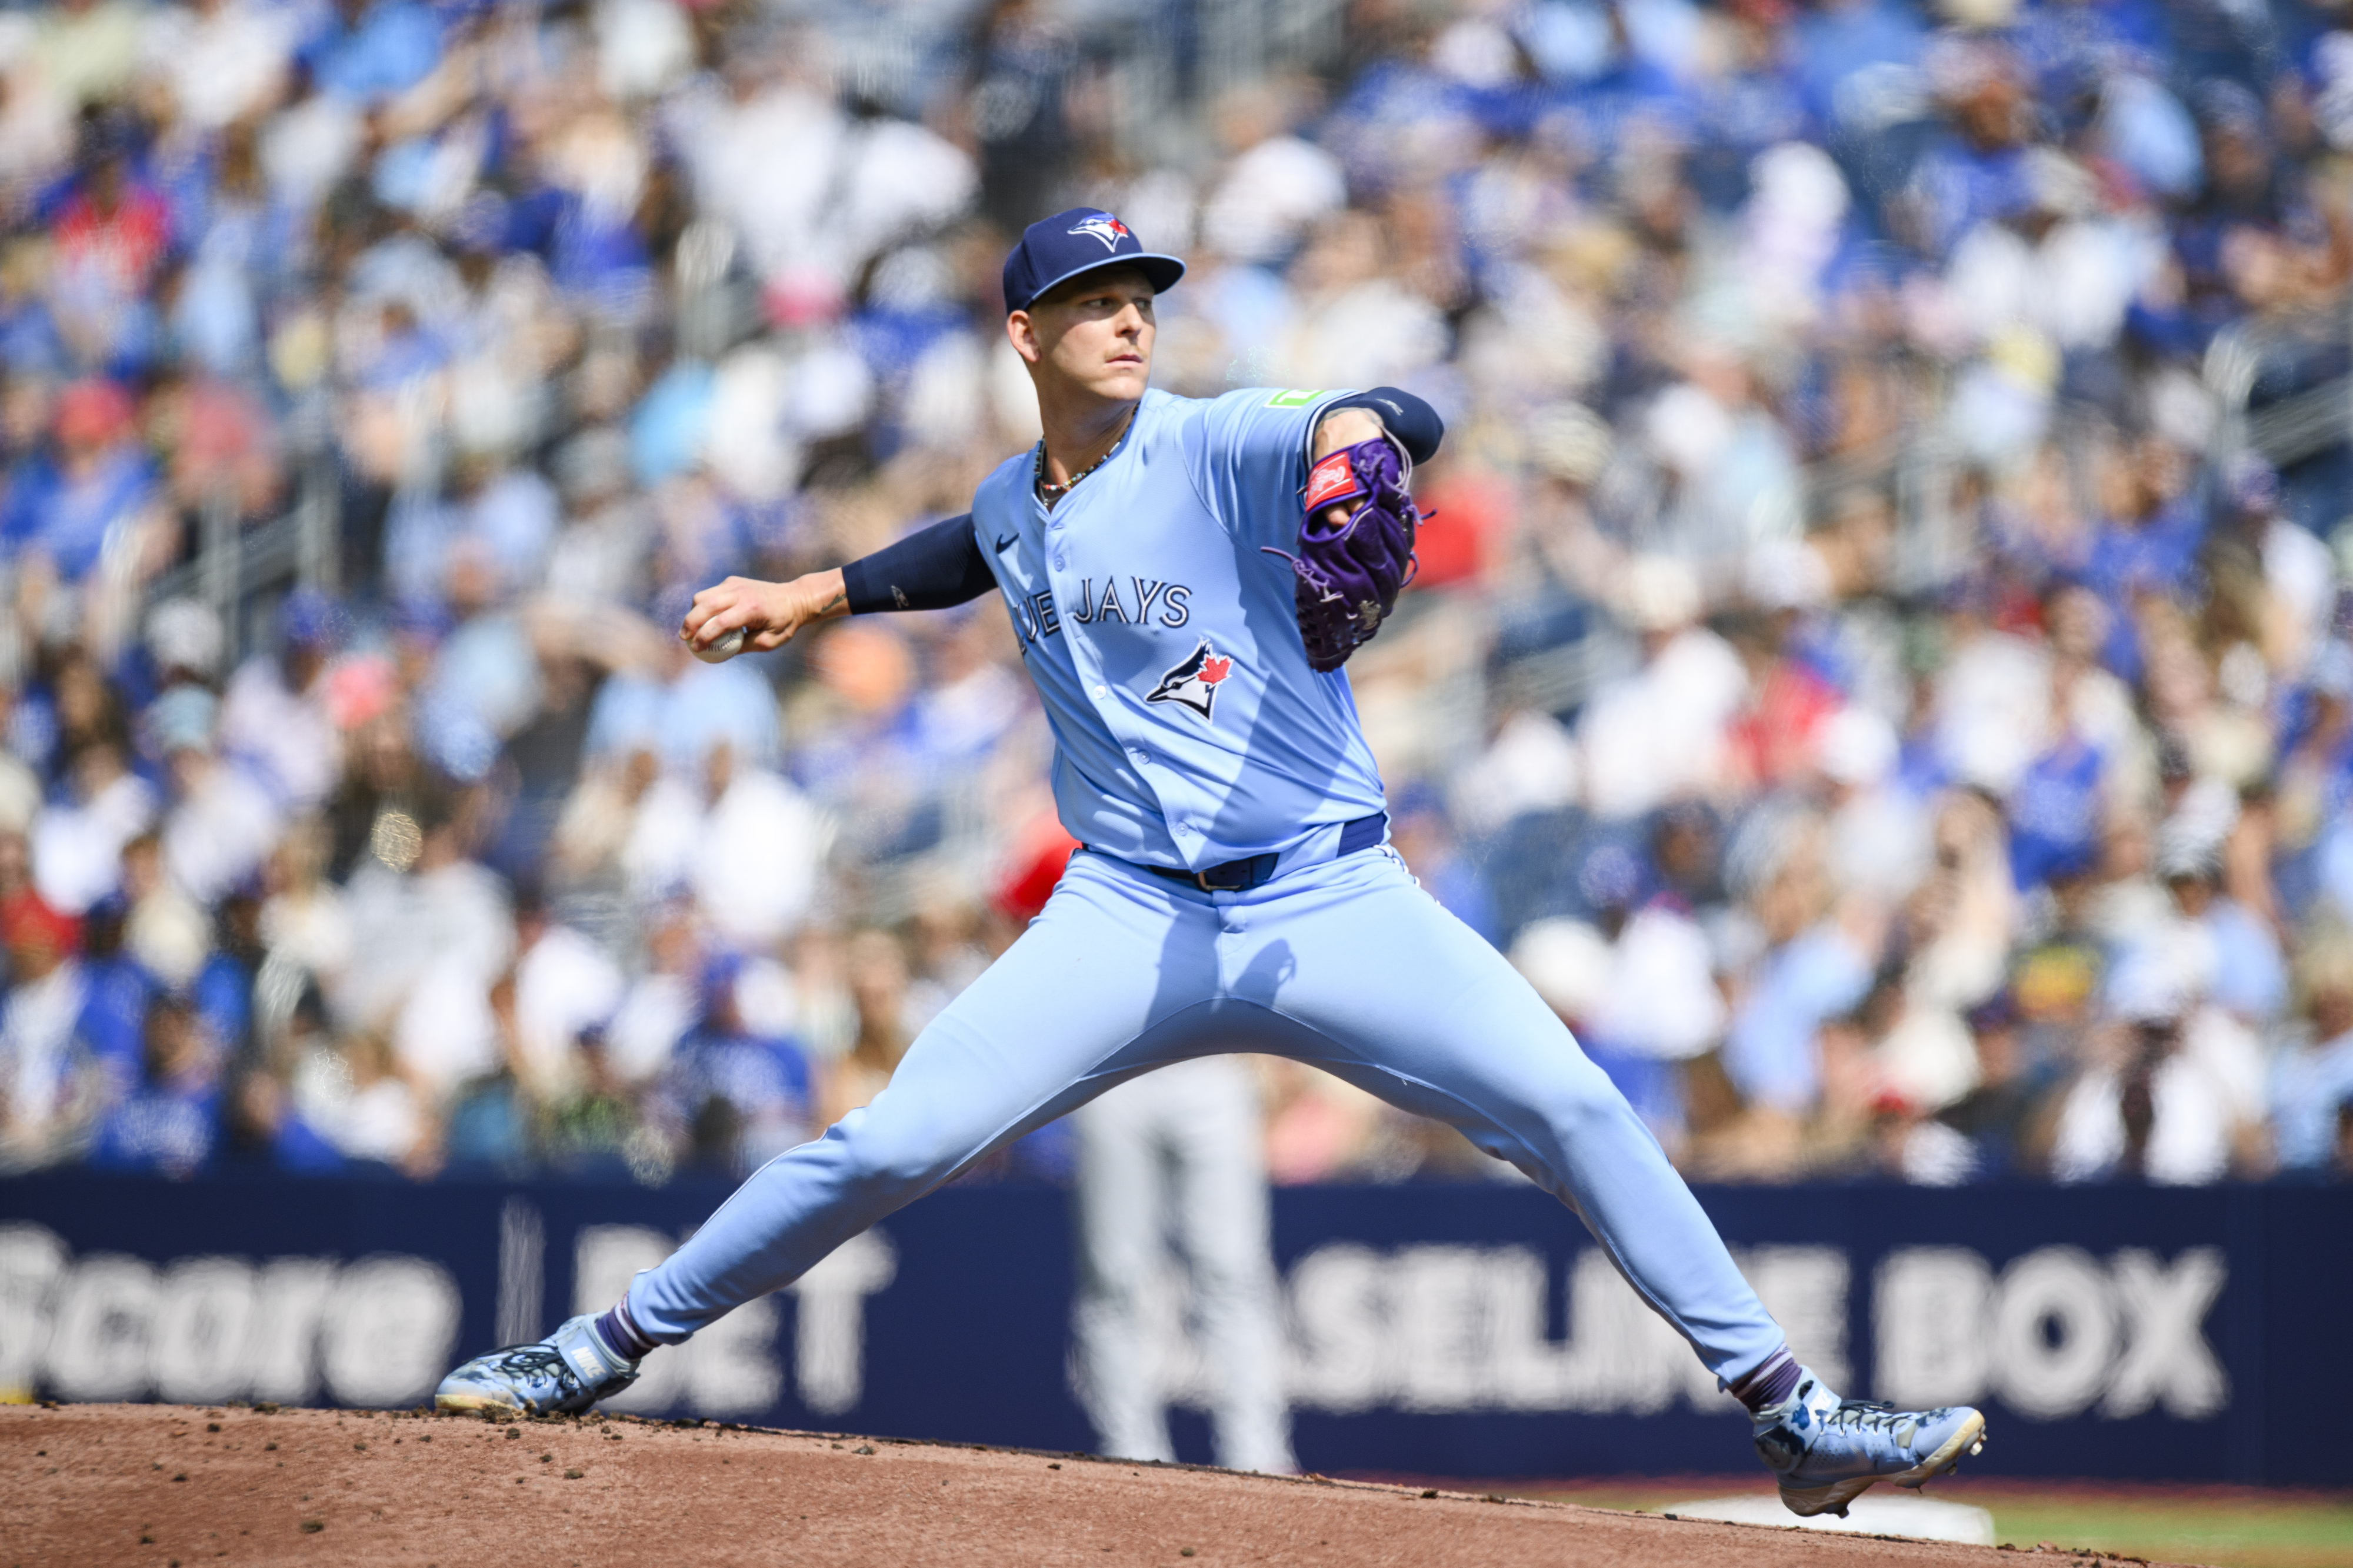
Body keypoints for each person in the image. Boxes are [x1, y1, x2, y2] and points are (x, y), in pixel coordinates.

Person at [435, 209, 1984, 1517]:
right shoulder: (1014, 496)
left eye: (1139, 302)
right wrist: (816, 593)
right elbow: (975, 545)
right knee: (887, 1143)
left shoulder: (1217, 443)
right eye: (1091, 306)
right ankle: (593, 1349)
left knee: (1572, 1102)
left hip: (1330, 900)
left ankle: (1791, 1414)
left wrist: (1364, 444)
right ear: (1024, 337)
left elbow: (1386, 410)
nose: (1127, 325)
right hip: (1126, 917)